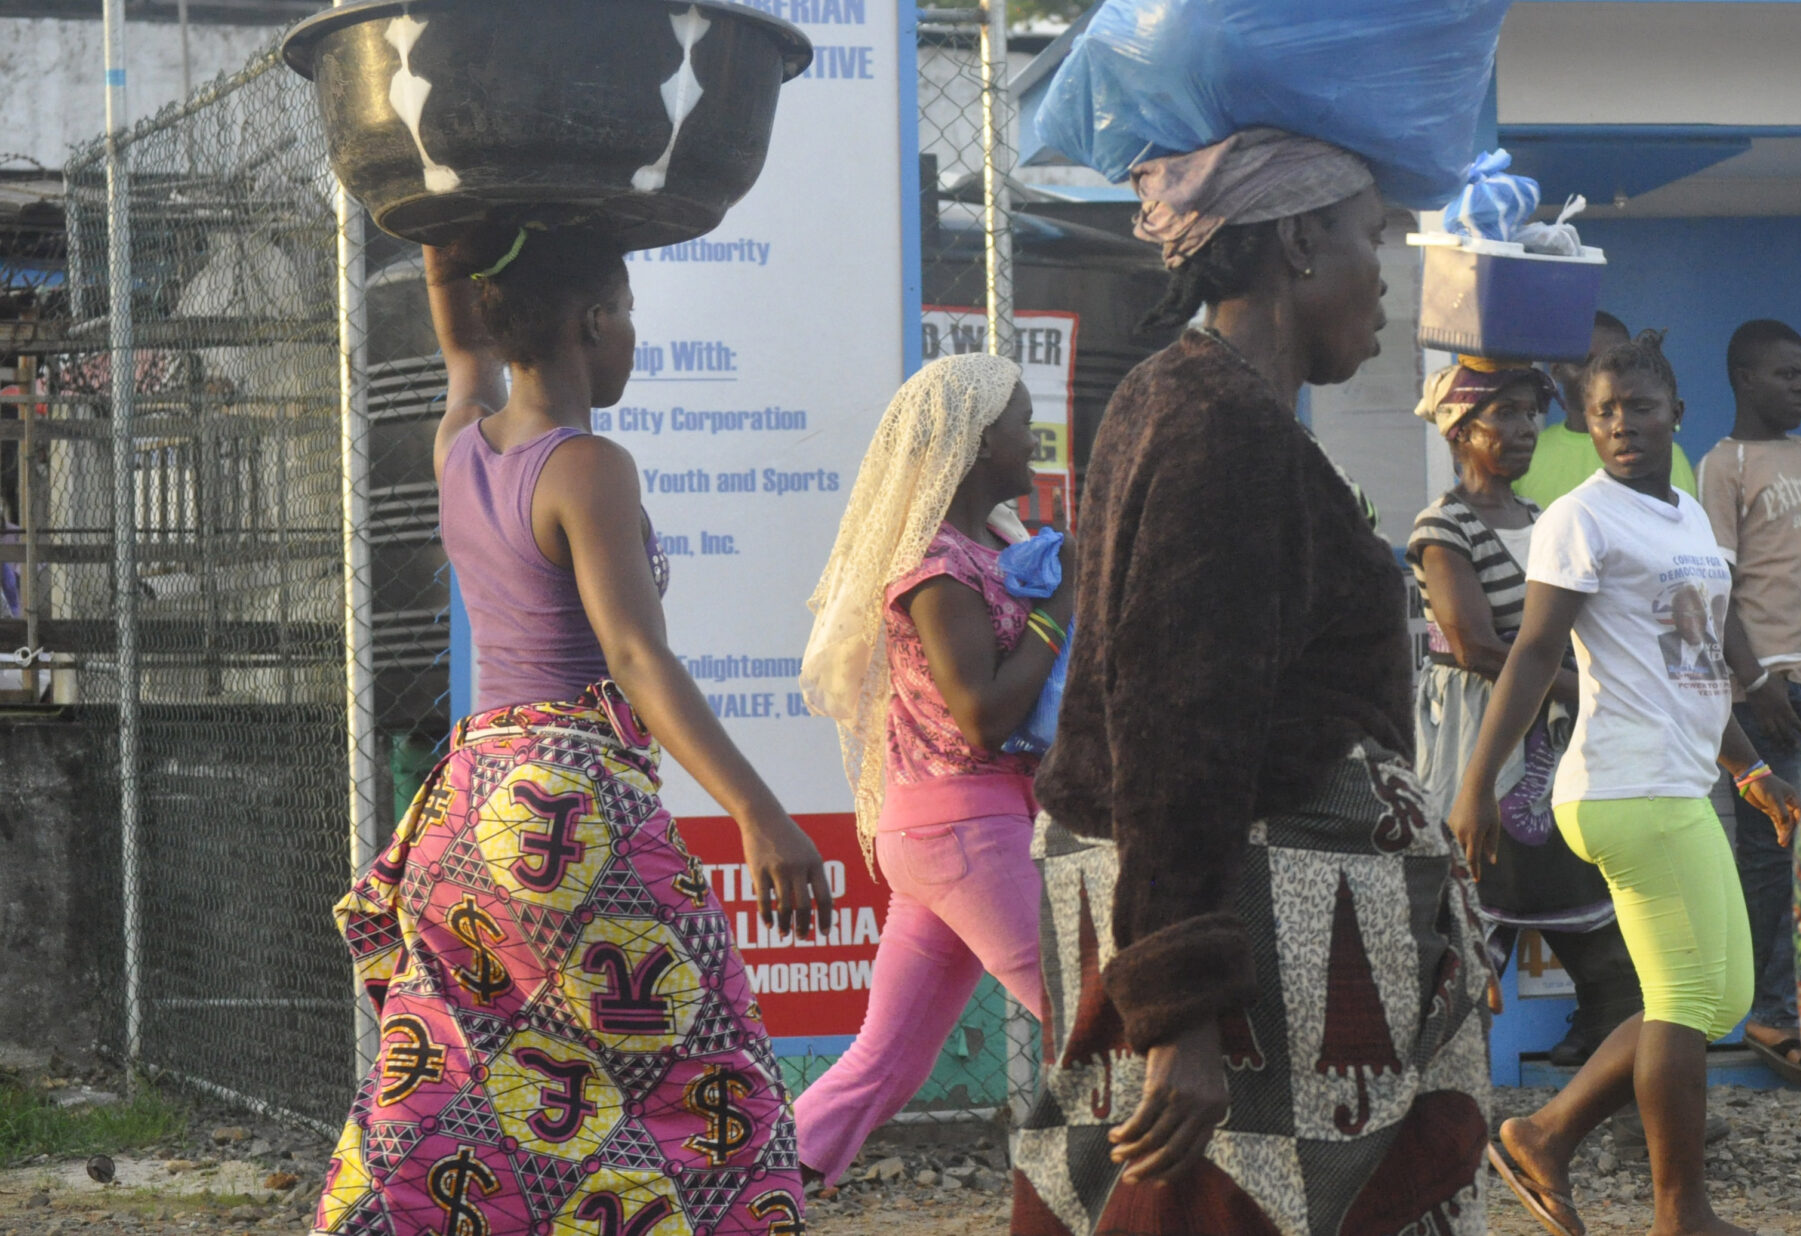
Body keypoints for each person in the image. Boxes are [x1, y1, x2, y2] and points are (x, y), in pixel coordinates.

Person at [1013, 129, 1493, 1236]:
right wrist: (1181, 1009)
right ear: (1298, 241)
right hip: (1263, 954)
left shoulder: (1192, 402)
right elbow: (1175, 718)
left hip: (1267, 934)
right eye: (1373, 238)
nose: (1387, 277)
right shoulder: (1218, 426)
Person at [318, 227, 829, 1236]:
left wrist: (445, 227)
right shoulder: (588, 465)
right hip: (574, 810)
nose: (634, 335)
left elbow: (461, 347)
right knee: (707, 1079)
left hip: (468, 817)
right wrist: (760, 814)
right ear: (594, 322)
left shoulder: (460, 445)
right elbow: (635, 655)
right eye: (627, 313)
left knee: (458, 1087)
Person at [1452, 334, 1798, 1236]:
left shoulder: (1686, 518)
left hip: (1679, 781)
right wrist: (1476, 783)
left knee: (1719, 999)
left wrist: (1750, 767)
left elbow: (1696, 663)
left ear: (1676, 414)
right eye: (1603, 411)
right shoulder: (1580, 518)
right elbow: (1534, 653)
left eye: (1639, 407)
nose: (1621, 424)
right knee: (1684, 999)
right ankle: (1681, 1213)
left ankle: (1545, 1134)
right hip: (1623, 785)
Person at [793, 353, 1066, 1186]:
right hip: (966, 832)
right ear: (979, 442)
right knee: (1097, 1021)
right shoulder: (936, 566)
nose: (1034, 438)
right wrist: (1058, 614)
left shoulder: (993, 544)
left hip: (948, 831)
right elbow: (982, 715)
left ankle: (740, 1193)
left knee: (883, 1064)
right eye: (1022, 423)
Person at [1409, 361, 1640, 1070]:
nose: (1523, 428)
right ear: (1459, 432)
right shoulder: (1443, 525)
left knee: (1588, 918)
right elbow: (1477, 646)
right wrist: (1587, 689)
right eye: (1502, 415)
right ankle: (1448, 1089)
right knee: (1469, 922)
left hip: (1548, 745)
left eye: (1528, 413)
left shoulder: (1543, 520)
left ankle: (1615, 1082)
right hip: (1481, 740)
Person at [1694, 318, 1801, 1089]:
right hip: (1773, 691)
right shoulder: (1724, 465)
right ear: (1745, 378)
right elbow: (1714, 589)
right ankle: (1770, 1013)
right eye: (1787, 375)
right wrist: (1755, 682)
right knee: (1776, 857)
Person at [1517, 312, 1698, 508]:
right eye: (1584, 361)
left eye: (1615, 362)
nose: (1600, 373)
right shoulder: (1526, 455)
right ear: (1555, 368)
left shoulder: (1665, 457)